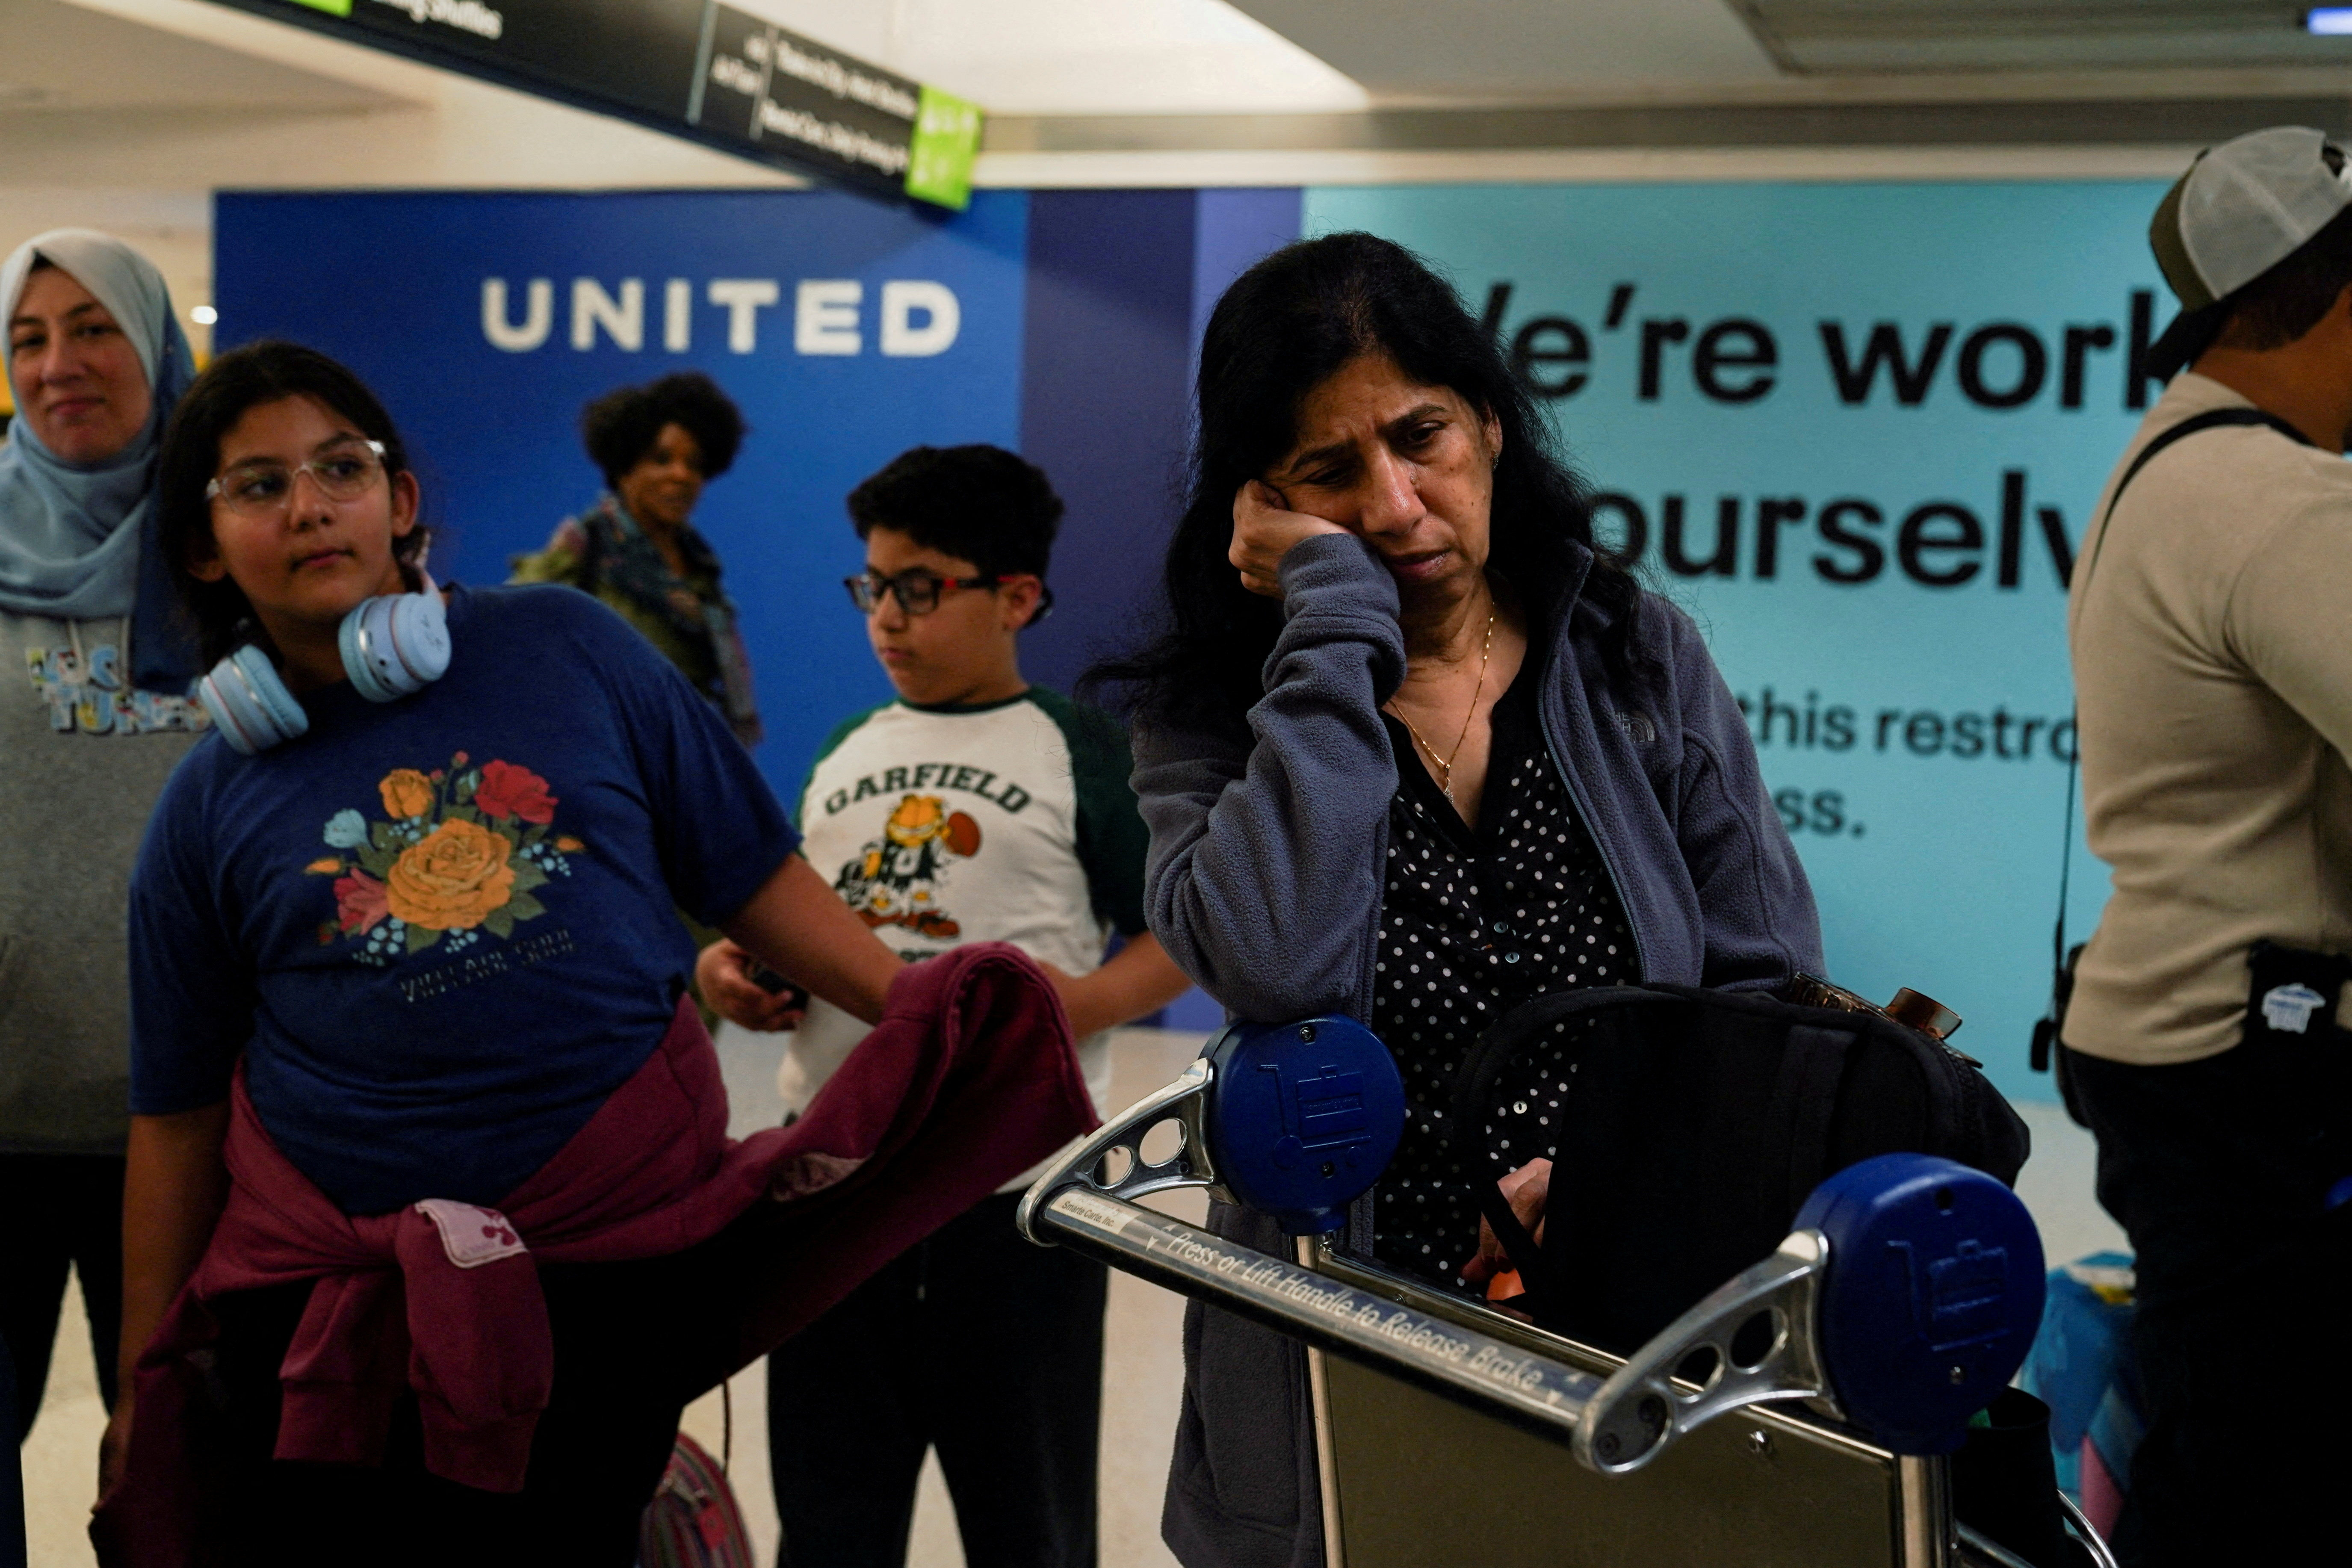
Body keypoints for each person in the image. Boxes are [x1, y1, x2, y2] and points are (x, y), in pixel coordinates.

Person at [102, 341, 1094, 1566]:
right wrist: (145, 1378)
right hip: (342, 1317)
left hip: (613, 1283)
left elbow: (745, 870)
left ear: (400, 500)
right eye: (256, 484)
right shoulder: (205, 805)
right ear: (203, 545)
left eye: (339, 468)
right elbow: (178, 1114)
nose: (307, 505)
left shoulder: (569, 645)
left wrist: (910, 1007)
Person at [1091, 233, 1820, 1568]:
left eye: (1421, 436)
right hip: (1346, 1351)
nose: (1394, 503)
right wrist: (1330, 624)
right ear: (1263, 505)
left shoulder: (1631, 653)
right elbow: (1273, 957)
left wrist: (1620, 1175)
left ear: (1490, 422)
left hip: (1628, 1326)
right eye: (1330, 471)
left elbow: (1767, 996)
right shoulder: (1211, 717)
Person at [697, 443, 1191, 1568]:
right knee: (829, 1522)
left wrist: (1088, 1000)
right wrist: (723, 976)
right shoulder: (841, 752)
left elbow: (1184, 934)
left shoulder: (1079, 753)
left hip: (1014, 1206)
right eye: (871, 586)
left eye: (917, 588)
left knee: (1027, 1519)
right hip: (829, 1192)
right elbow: (780, 924)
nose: (885, 617)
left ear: (1015, 595)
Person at [2059, 126, 2352, 1567]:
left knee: (2225, 1431)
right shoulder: (2272, 499)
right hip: (2254, 1065)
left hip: (2184, 1040)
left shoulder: (2173, 462)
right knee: (2256, 1467)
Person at [0, 230, 208, 1448]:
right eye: (29, 336)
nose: (58, 362)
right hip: (1, 1108)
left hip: (192, 1119)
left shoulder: (227, 546)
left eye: (93, 329)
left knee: (178, 1465)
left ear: (154, 346)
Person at [511, 370, 760, 745]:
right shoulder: (581, 551)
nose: (681, 475)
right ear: (624, 468)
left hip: (682, 755)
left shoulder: (700, 566)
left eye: (694, 464)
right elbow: (514, 645)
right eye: (661, 459)